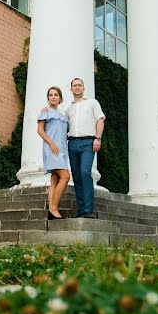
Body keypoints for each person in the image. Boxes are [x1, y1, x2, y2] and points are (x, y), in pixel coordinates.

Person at [65, 78, 105, 218]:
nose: (77, 87)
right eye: (74, 86)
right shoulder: (69, 109)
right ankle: (81, 210)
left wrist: (98, 138)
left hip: (88, 143)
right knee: (76, 176)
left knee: (84, 172)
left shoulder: (92, 103)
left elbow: (100, 119)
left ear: (83, 88)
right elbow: (65, 128)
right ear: (71, 89)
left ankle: (88, 210)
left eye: (79, 85)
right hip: (72, 144)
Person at [36, 86, 70, 220]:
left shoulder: (63, 116)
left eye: (56, 95)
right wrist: (51, 144)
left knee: (55, 180)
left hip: (62, 149)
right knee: (65, 176)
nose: (53, 97)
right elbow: (40, 130)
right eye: (51, 95)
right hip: (52, 149)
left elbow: (63, 134)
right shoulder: (46, 110)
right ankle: (54, 208)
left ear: (60, 98)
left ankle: (51, 210)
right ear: (48, 98)